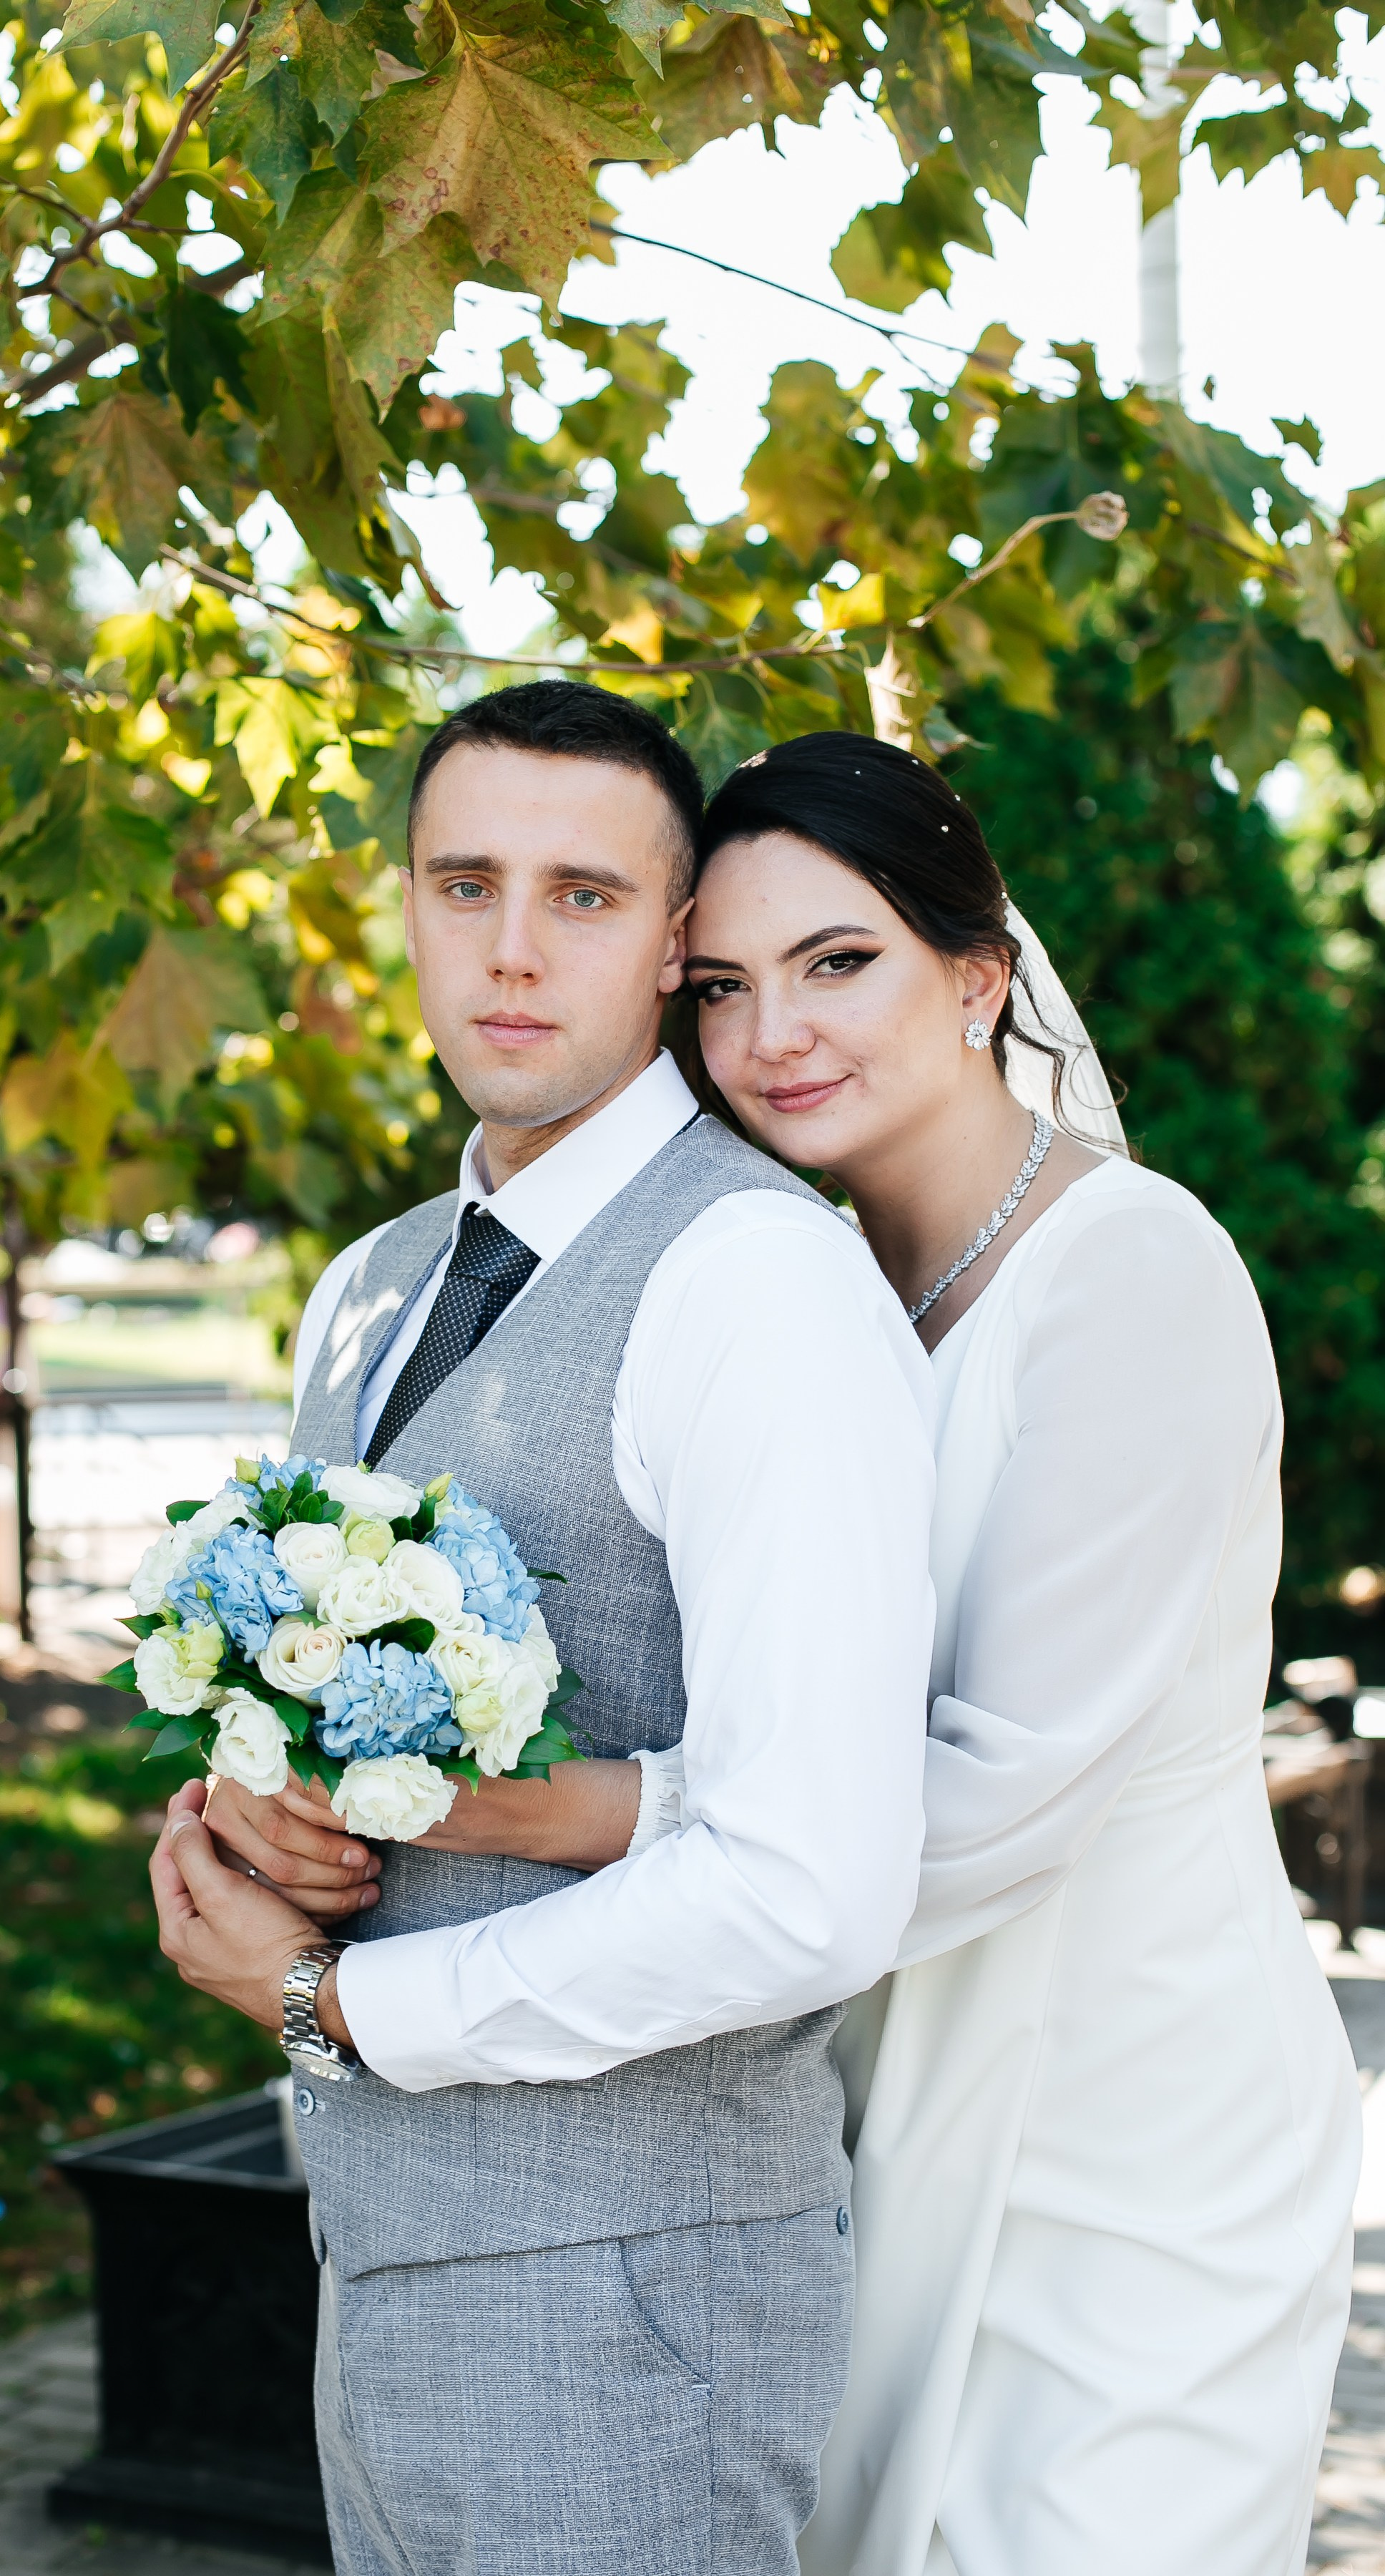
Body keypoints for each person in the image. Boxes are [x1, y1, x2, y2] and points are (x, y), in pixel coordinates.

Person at [222, 726, 1361, 2576]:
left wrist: (571, 1813)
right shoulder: (811, 1270)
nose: (775, 1036)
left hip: (1115, 2085)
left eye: (840, 964)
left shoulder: (1129, 1273)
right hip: (865, 2062)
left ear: (979, 977)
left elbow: (1003, 1790)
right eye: (728, 988)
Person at [147, 684, 938, 2576]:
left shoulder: (754, 1282)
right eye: (464, 884)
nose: (511, 949)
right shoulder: (372, 1285)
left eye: (583, 895)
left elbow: (810, 1887)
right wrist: (260, 1811)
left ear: (675, 944)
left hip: (632, 2302)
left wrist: (340, 2006)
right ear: (407, 907)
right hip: (378, 2258)